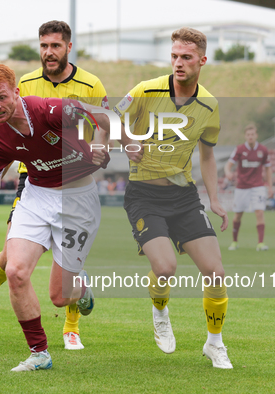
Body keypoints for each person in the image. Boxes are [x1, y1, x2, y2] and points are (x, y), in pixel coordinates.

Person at [0, 20, 109, 351]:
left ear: (68, 47)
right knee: (11, 261)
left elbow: (105, 119)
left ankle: (72, 319)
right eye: (44, 46)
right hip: (32, 178)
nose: (49, 51)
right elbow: (9, 136)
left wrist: (102, 149)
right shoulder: (26, 81)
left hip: (75, 183)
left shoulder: (89, 84)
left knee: (59, 294)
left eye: (55, 45)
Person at [112, 27, 232, 369]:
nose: (178, 63)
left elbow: (207, 156)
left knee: (216, 273)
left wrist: (216, 199)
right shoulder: (145, 90)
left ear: (202, 61)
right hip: (144, 195)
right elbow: (110, 115)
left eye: (186, 57)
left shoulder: (209, 105)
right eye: (175, 56)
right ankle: (160, 313)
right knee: (165, 267)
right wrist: (127, 141)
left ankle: (214, 343)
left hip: (184, 197)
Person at [224, 124, 273, 251]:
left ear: (256, 135)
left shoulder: (263, 150)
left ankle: (260, 243)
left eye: (252, 134)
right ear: (245, 136)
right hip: (242, 187)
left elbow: (268, 169)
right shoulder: (239, 149)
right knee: (238, 215)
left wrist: (270, 186)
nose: (250, 137)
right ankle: (234, 242)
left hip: (258, 186)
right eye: (248, 135)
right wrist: (228, 172)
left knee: (260, 212)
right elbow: (228, 165)